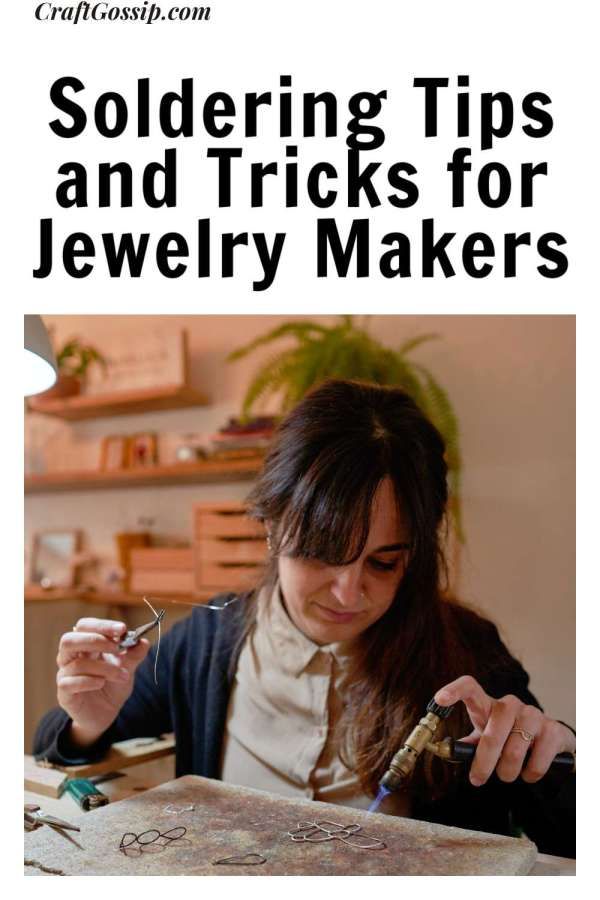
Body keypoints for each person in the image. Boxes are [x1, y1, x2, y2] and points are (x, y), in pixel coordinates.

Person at [34, 379, 575, 858]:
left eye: (383, 563)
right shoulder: (206, 641)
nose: (348, 591)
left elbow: (569, 834)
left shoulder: (469, 654)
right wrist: (87, 717)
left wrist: (556, 756)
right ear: (271, 527)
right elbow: (57, 745)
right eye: (321, 552)